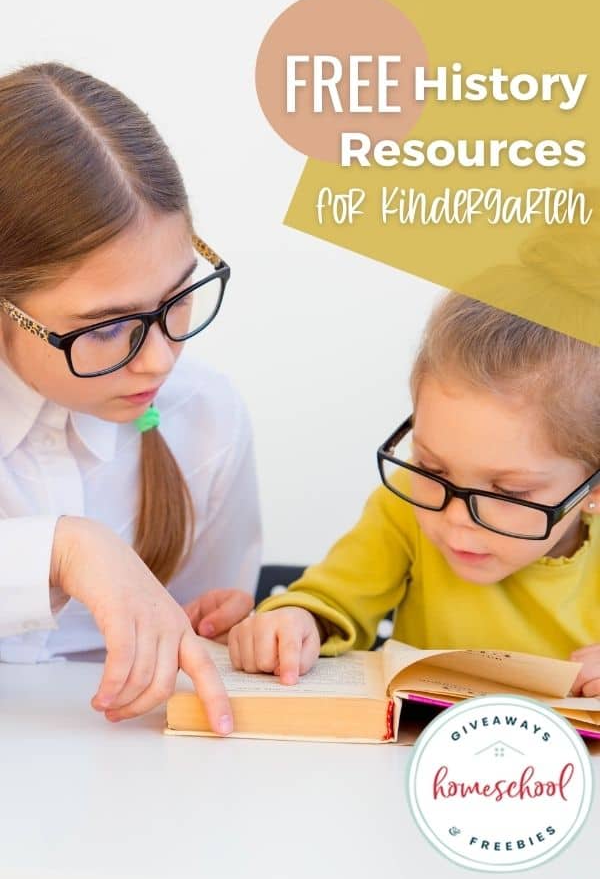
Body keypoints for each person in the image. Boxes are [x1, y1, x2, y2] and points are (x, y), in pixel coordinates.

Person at [0, 61, 261, 733]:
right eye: (108, 326)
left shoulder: (205, 419)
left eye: (177, 299)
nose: (161, 357)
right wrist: (63, 550)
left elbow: (199, 650)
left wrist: (230, 630)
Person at [230, 229, 600, 697]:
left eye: (508, 493)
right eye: (433, 468)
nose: (456, 523)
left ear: (593, 490)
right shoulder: (402, 508)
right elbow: (329, 601)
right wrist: (295, 621)